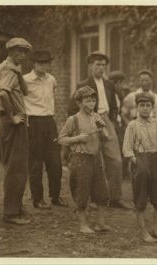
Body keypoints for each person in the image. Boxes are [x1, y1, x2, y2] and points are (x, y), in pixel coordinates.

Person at [68, 51, 129, 209]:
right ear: (90, 66)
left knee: (115, 160)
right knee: (91, 160)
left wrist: (113, 121)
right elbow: (72, 107)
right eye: (98, 65)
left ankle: (115, 198)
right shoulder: (83, 85)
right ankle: (91, 199)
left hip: (106, 121)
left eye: (103, 65)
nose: (101, 68)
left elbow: (115, 106)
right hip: (90, 121)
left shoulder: (109, 84)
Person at [58, 86, 110, 234]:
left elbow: (106, 138)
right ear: (79, 103)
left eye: (93, 100)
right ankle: (83, 225)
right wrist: (77, 138)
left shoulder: (96, 117)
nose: (91, 103)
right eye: (87, 100)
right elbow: (61, 139)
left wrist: (102, 129)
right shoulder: (73, 120)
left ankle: (100, 223)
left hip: (96, 158)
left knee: (102, 191)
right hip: (80, 160)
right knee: (82, 192)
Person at [0, 37, 32, 225]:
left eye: (25, 52)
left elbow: (25, 91)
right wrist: (12, 117)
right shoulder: (9, 69)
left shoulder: (10, 68)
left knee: (15, 165)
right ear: (10, 51)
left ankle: (15, 207)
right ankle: (10, 213)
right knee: (16, 168)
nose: (23, 55)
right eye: (19, 52)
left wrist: (19, 73)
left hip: (11, 122)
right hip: (14, 122)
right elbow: (2, 93)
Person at [23, 50, 68, 209]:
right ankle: (38, 199)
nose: (44, 66)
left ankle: (55, 196)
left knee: (55, 161)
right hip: (34, 122)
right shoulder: (25, 80)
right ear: (34, 63)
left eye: (46, 63)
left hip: (50, 122)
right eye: (40, 63)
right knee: (36, 162)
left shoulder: (52, 80)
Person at [122, 92, 157, 243]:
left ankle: (156, 228)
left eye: (148, 106)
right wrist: (135, 160)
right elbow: (127, 148)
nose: (145, 109)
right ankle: (143, 231)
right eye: (142, 105)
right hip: (140, 159)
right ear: (137, 107)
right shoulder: (132, 125)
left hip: (155, 159)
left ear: (153, 107)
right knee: (141, 197)